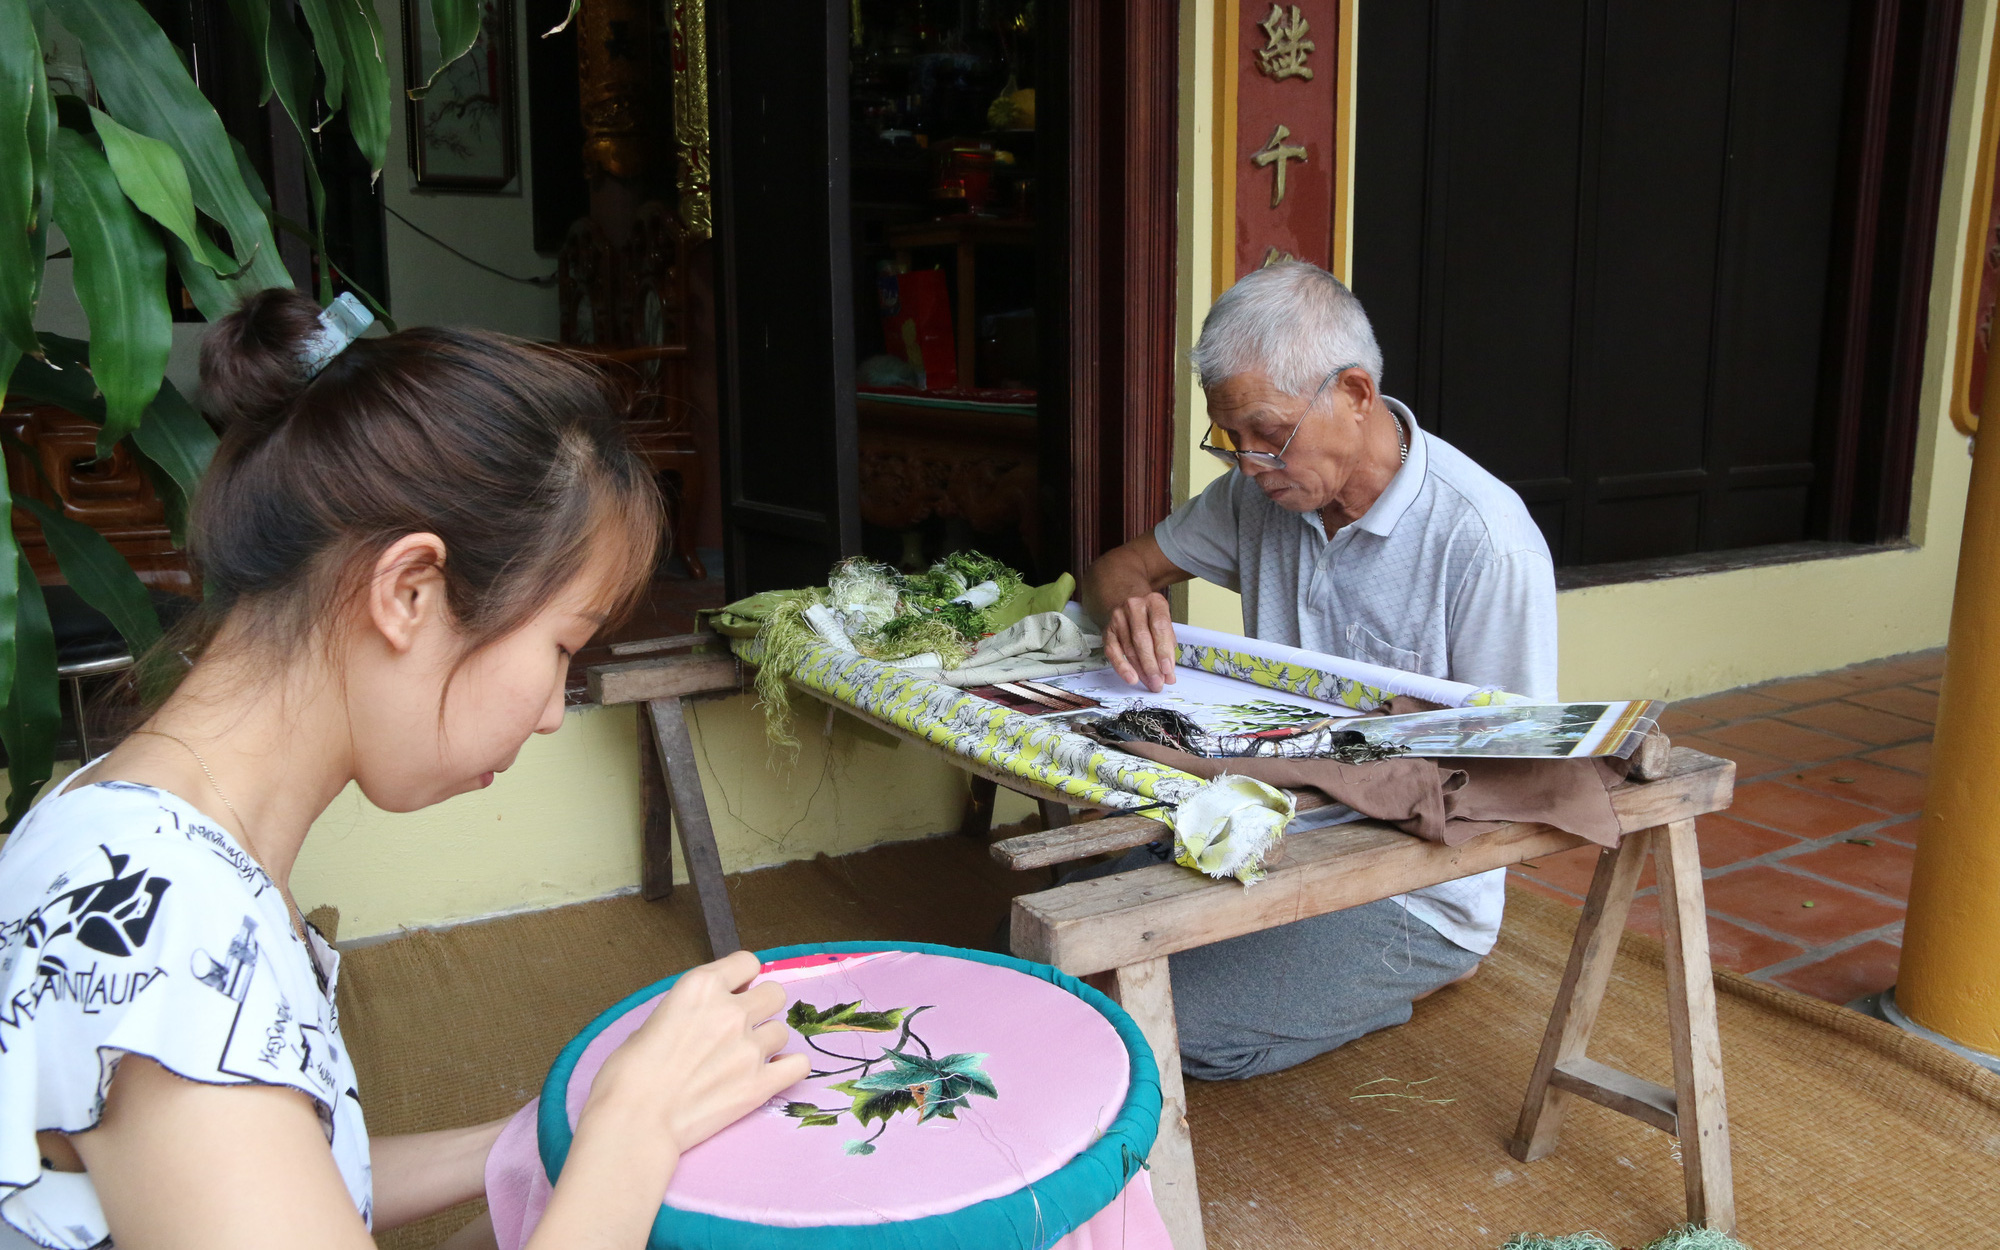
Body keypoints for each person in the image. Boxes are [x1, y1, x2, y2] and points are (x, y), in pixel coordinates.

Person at [0, 289, 809, 1250]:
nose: (554, 713)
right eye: (562, 647)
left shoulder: (133, 833)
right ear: (410, 592)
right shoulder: (167, 925)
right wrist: (634, 1130)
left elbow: (283, 1177)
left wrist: (550, 1130)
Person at [1078, 261, 1557, 1081]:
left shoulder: (1482, 541)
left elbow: (1513, 772)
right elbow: (1118, 566)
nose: (1251, 463)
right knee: (1073, 963)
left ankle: (1431, 962)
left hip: (1409, 881)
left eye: (1268, 433)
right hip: (1263, 825)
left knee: (1158, 1032)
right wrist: (1131, 602)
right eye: (1229, 441)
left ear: (1357, 394)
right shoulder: (1258, 498)